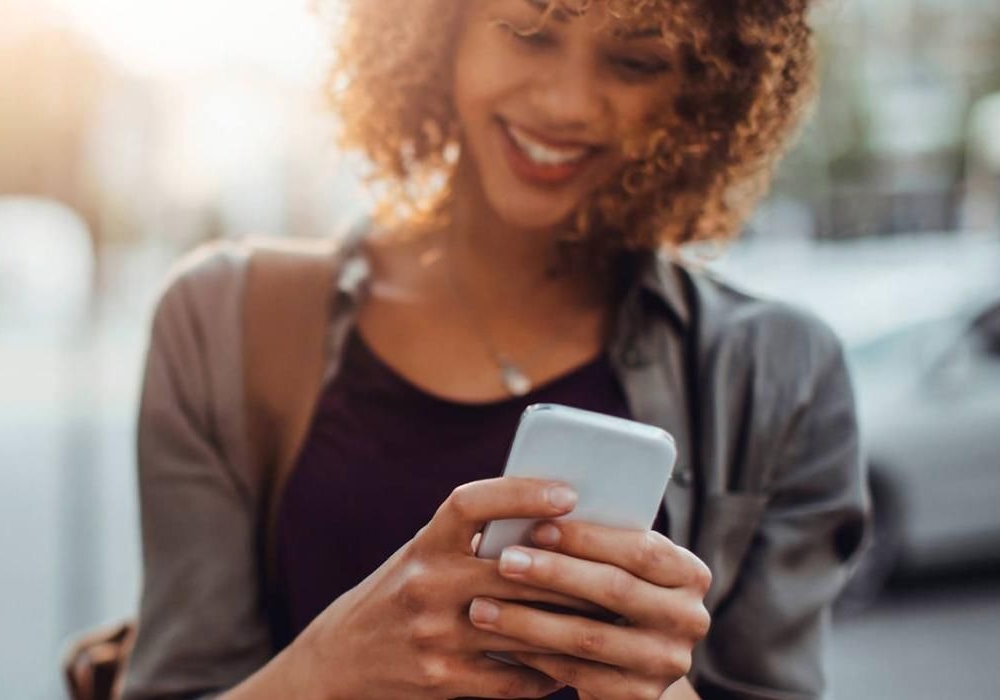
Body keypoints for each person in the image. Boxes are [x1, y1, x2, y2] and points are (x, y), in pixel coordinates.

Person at [124, 0, 869, 698]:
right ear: (437, 26)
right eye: (528, 31)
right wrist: (334, 662)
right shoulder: (223, 322)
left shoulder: (783, 375)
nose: (567, 103)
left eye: (636, 62)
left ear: (703, 88)